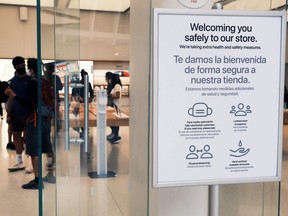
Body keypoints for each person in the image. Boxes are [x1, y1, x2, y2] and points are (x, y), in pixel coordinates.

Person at [6, 58, 56, 189]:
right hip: (46, 118)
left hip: (35, 119)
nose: (25, 67)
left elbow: (28, 103)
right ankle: (51, 174)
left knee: (34, 150)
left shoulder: (31, 83)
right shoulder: (46, 81)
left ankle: (37, 180)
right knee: (48, 147)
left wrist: (13, 95)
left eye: (26, 65)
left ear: (31, 69)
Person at [6, 56, 32, 171]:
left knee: (28, 138)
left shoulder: (31, 80)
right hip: (16, 113)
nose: (21, 67)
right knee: (16, 135)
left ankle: (32, 162)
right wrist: (9, 113)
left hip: (29, 113)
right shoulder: (12, 82)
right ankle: (19, 161)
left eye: (23, 65)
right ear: (15, 67)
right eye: (19, 66)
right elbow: (10, 99)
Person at [106, 73, 122, 144]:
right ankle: (113, 134)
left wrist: (110, 95)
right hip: (112, 105)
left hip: (116, 106)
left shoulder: (117, 86)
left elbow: (117, 96)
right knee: (112, 121)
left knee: (115, 122)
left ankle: (115, 135)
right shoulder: (113, 86)